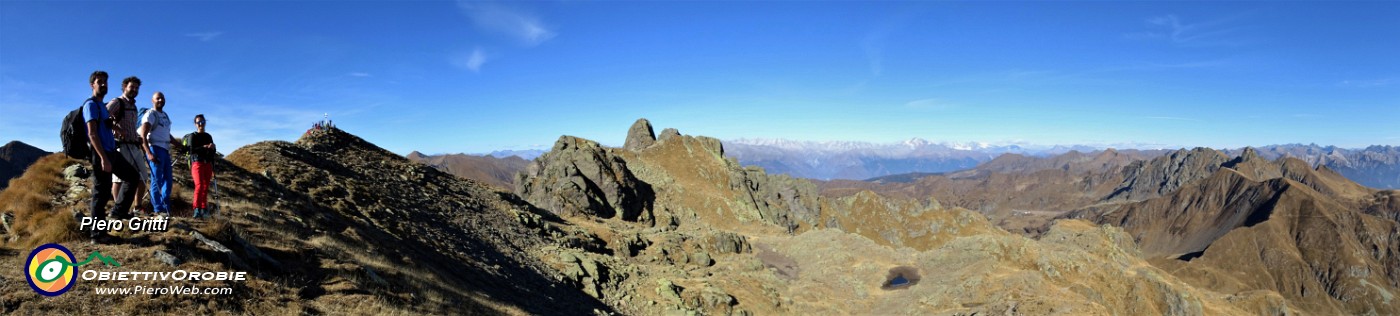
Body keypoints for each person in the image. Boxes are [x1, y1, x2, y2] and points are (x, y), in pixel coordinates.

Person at [83, 71, 142, 241]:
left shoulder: (102, 105)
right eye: (99, 81)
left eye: (105, 82)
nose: (103, 84)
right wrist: (103, 158)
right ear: (92, 85)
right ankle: (97, 235)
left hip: (111, 151)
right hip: (101, 152)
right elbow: (92, 134)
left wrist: (117, 129)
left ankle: (118, 212)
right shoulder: (91, 105)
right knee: (100, 193)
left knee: (132, 176)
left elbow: (107, 124)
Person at [107, 76, 149, 216]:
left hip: (133, 145)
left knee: (142, 176)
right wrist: (117, 130)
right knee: (120, 179)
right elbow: (103, 117)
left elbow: (131, 127)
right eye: (132, 87)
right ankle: (118, 209)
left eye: (137, 88)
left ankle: (137, 206)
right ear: (125, 87)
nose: (135, 90)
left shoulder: (134, 106)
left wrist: (137, 138)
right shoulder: (117, 102)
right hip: (121, 145)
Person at [139, 92, 172, 217]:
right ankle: (158, 209)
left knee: (168, 181)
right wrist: (148, 152)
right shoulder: (150, 114)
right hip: (155, 148)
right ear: (152, 100)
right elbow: (143, 135)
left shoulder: (165, 116)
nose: (160, 100)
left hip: (165, 149)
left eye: (162, 98)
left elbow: (167, 134)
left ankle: (165, 208)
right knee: (156, 180)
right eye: (158, 98)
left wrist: (180, 146)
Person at [189, 114, 217, 218]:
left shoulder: (208, 136)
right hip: (197, 163)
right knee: (199, 185)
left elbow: (212, 153)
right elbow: (191, 150)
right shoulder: (193, 136)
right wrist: (204, 147)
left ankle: (203, 209)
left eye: (202, 122)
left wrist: (213, 148)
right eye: (198, 122)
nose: (201, 124)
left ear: (205, 122)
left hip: (207, 164)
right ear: (195, 124)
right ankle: (197, 209)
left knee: (205, 187)